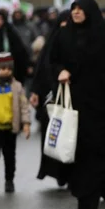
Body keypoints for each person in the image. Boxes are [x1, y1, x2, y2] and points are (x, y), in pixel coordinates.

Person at [49, 0, 105, 209]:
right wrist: (60, 71)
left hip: (100, 108)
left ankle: (90, 204)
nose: (75, 12)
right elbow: (52, 60)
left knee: (96, 154)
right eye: (73, 8)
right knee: (77, 154)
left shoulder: (102, 40)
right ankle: (82, 198)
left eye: (80, 8)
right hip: (73, 105)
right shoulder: (63, 35)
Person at [30, 10, 71, 187]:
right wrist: (35, 92)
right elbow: (40, 71)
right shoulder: (50, 46)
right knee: (54, 134)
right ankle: (57, 172)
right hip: (50, 98)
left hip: (72, 96)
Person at [0, 52, 31, 193]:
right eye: (2, 68)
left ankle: (9, 180)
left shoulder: (17, 87)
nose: (5, 71)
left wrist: (26, 123)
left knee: (10, 156)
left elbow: (24, 106)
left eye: (9, 68)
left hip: (10, 128)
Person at [0, 11, 31, 84]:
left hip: (7, 66)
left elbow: (19, 49)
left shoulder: (8, 31)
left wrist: (27, 64)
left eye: (0, 19)